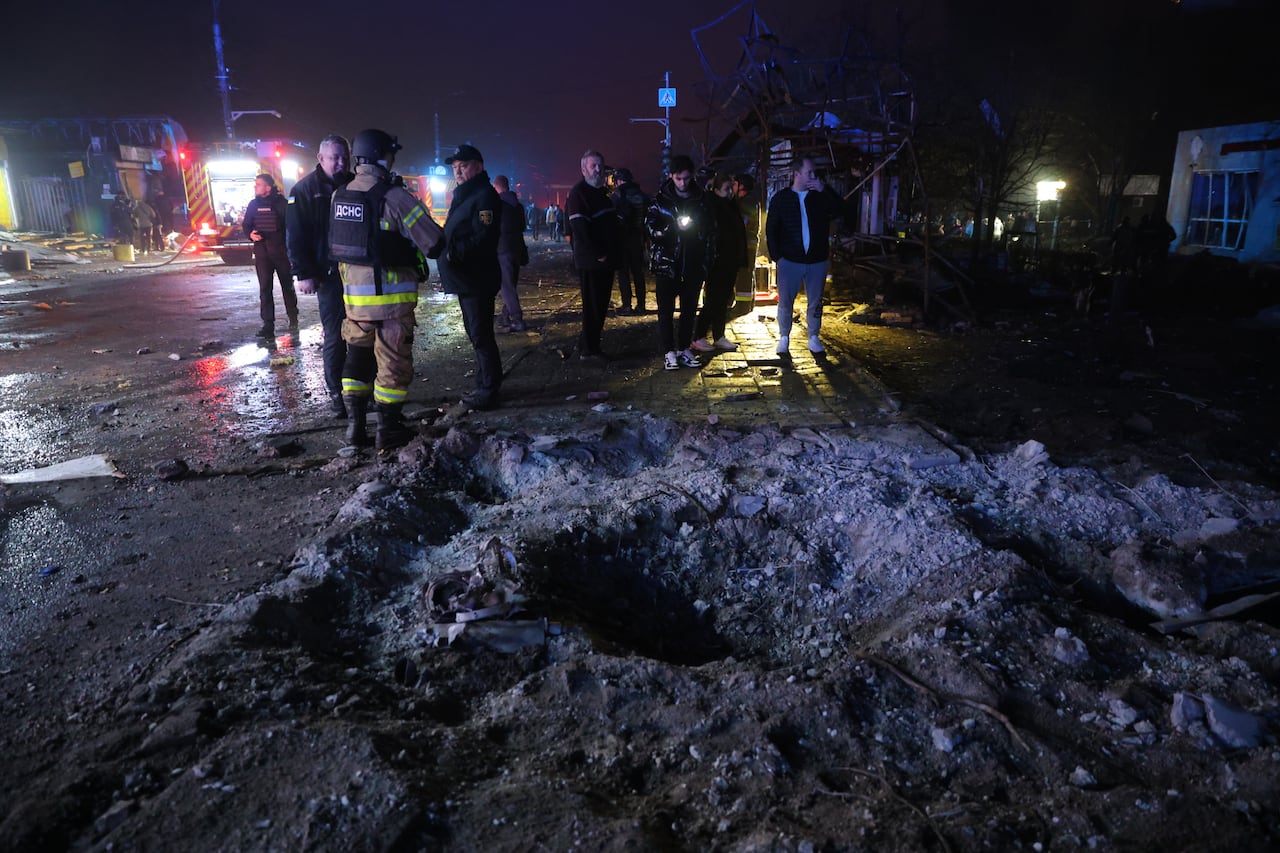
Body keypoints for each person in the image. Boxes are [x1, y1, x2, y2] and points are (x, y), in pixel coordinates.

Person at [329, 128, 444, 451]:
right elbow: (434, 242)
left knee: (357, 360)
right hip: (391, 303)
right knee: (393, 365)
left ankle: (355, 429)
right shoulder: (395, 197)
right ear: (383, 157)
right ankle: (388, 430)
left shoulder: (339, 196)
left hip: (355, 303)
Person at [287, 134, 354, 418]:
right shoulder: (304, 190)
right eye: (334, 157)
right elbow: (295, 235)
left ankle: (360, 392)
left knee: (363, 334)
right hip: (328, 275)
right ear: (321, 158)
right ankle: (337, 394)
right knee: (336, 335)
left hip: (357, 274)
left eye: (344, 157)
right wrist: (303, 273)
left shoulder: (354, 184)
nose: (340, 163)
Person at [437, 143, 504, 410]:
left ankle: (489, 389)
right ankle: (484, 382)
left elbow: (484, 237)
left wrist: (453, 254)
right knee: (476, 332)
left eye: (463, 166)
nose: (457, 172)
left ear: (478, 166)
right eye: (455, 168)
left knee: (480, 334)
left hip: (477, 277)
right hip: (467, 278)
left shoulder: (484, 195)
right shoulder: (466, 194)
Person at [765, 156, 844, 355]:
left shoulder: (819, 197)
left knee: (815, 301)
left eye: (814, 172)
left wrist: (825, 189)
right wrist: (777, 257)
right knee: (785, 301)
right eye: (809, 173)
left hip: (817, 259)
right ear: (796, 174)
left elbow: (841, 211)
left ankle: (813, 337)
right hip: (790, 259)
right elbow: (771, 228)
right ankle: (784, 337)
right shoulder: (781, 198)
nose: (813, 176)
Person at [647, 154, 714, 371]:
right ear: (671, 176)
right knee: (665, 311)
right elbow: (650, 228)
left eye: (686, 178)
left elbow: (710, 231)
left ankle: (684, 348)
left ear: (691, 176)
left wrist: (705, 263)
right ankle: (669, 351)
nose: (683, 183)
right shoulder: (660, 200)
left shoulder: (701, 200)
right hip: (667, 265)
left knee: (689, 310)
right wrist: (670, 229)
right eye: (678, 179)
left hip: (693, 264)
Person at [566, 149, 620, 360]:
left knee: (601, 304)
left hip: (605, 259)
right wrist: (598, 253)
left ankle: (589, 344)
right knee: (593, 306)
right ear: (583, 169)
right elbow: (579, 228)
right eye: (593, 166)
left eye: (600, 166)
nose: (598, 170)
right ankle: (589, 350)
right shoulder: (579, 193)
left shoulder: (601, 193)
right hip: (592, 261)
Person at [691, 173, 747, 352]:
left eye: (731, 188)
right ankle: (699, 336)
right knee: (714, 299)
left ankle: (718, 335)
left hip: (730, 259)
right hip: (718, 261)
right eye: (726, 189)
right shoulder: (712, 205)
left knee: (723, 299)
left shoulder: (730, 204)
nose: (730, 192)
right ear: (716, 190)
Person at [242, 173, 297, 339]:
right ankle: (268, 325)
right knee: (265, 289)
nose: (255, 187)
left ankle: (293, 318)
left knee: (287, 287)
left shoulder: (283, 204)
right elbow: (246, 224)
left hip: (281, 253)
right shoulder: (253, 205)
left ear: (267, 187)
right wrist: (250, 234)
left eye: (258, 184)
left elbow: (291, 228)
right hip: (262, 254)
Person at [610, 166, 649, 315]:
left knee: (623, 273)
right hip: (638, 238)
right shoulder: (642, 195)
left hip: (622, 239)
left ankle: (627, 305)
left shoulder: (618, 194)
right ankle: (641, 306)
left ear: (619, 180)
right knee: (638, 273)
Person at [492, 175, 527, 332]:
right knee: (511, 283)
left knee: (506, 286)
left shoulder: (497, 204)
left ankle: (517, 319)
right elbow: (523, 226)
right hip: (517, 247)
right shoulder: (518, 205)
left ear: (496, 186)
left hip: (502, 248)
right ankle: (505, 316)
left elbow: (491, 227)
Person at [731, 173, 762, 316]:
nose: (733, 186)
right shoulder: (749, 201)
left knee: (744, 274)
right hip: (748, 243)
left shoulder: (746, 203)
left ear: (741, 186)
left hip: (745, 244)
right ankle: (748, 304)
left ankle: (742, 306)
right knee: (748, 272)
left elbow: (740, 224)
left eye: (735, 184)